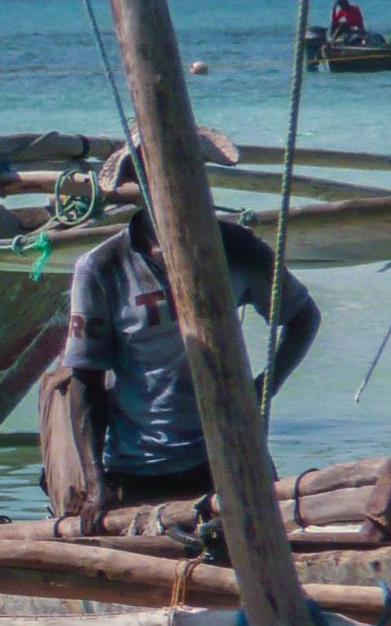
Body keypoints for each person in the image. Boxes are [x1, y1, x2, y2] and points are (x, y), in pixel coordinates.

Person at [62, 150, 320, 527]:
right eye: (157, 176)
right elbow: (85, 381)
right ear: (139, 184)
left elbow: (303, 317)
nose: (174, 185)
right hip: (141, 465)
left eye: (186, 170)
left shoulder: (236, 247)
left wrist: (263, 389)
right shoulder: (103, 267)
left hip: (230, 454)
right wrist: (94, 483)